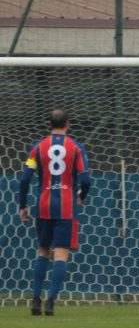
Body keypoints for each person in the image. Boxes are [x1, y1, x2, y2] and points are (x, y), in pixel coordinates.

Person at [19, 109, 92, 316]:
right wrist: (82, 195)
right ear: (67, 124)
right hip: (66, 207)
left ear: (49, 125)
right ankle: (50, 302)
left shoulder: (37, 148)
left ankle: (35, 300)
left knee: (42, 251)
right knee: (61, 255)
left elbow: (24, 179)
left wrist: (22, 205)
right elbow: (86, 179)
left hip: (43, 205)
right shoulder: (76, 148)